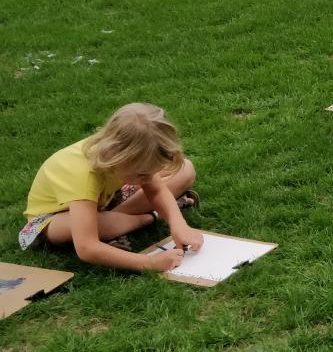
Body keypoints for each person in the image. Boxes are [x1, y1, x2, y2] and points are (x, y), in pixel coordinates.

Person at [20, 103, 201, 272]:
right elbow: (86, 248)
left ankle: (118, 223)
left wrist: (179, 224)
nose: (146, 179)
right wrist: (149, 262)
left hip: (108, 199)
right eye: (142, 174)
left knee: (185, 170)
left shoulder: (122, 157)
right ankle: (148, 218)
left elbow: (156, 189)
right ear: (118, 157)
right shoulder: (83, 175)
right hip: (54, 219)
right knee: (99, 224)